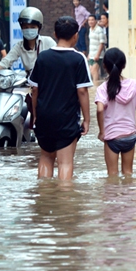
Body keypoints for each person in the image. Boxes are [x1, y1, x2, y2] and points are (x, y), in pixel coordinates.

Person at [28, 16, 92, 180]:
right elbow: (82, 92)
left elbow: (34, 89)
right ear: (76, 35)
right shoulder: (78, 59)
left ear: (55, 34)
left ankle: (44, 196)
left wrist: (35, 115)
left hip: (44, 117)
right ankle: (63, 202)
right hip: (67, 118)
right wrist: (87, 119)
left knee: (46, 158)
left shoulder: (43, 57)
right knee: (65, 163)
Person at [95, 48, 136, 176]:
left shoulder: (103, 88)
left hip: (112, 137)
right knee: (128, 173)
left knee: (112, 175)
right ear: (124, 65)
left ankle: (114, 196)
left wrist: (101, 132)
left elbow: (99, 109)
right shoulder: (134, 85)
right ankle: (129, 196)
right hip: (130, 137)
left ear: (104, 66)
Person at [0, 7, 56, 75]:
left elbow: (58, 61)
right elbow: (6, 62)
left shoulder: (48, 41)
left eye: (33, 27)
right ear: (21, 28)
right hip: (30, 82)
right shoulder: (19, 46)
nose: (29, 30)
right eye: (26, 27)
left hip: (48, 80)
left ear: (39, 27)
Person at [87, 14, 107, 83]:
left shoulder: (99, 30)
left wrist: (97, 55)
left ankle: (95, 89)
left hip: (98, 55)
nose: (90, 21)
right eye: (89, 20)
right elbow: (91, 43)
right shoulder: (90, 29)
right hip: (91, 54)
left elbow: (102, 43)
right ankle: (97, 88)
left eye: (92, 20)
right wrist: (89, 54)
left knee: (94, 71)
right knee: (92, 72)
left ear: (95, 21)